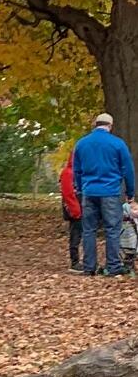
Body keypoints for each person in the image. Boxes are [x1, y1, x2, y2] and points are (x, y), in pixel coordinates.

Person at [70, 112, 135, 280]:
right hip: (110, 192)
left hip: (89, 191)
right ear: (110, 126)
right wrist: (130, 193)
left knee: (89, 230)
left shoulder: (82, 144)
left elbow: (77, 170)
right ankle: (113, 266)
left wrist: (79, 188)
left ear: (95, 124)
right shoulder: (118, 144)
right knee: (112, 229)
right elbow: (128, 170)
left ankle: (89, 266)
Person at [60, 149, 83, 270]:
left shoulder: (78, 172)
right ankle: (75, 261)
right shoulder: (68, 173)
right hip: (75, 209)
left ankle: (79, 261)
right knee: (75, 235)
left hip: (80, 207)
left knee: (80, 234)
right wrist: (76, 210)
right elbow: (68, 194)